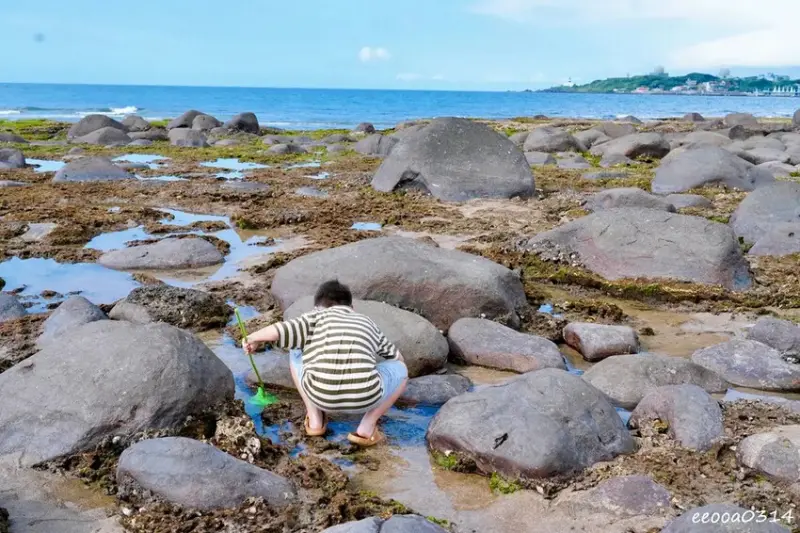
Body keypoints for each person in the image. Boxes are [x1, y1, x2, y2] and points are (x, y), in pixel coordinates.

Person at [243, 280, 408, 447]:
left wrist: (253, 338)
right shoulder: (367, 322)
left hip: (319, 394)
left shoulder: (314, 317)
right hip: (366, 398)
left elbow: (279, 330)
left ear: (317, 307)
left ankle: (315, 420)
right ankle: (367, 426)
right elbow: (396, 357)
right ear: (351, 308)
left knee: (295, 348)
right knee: (401, 370)